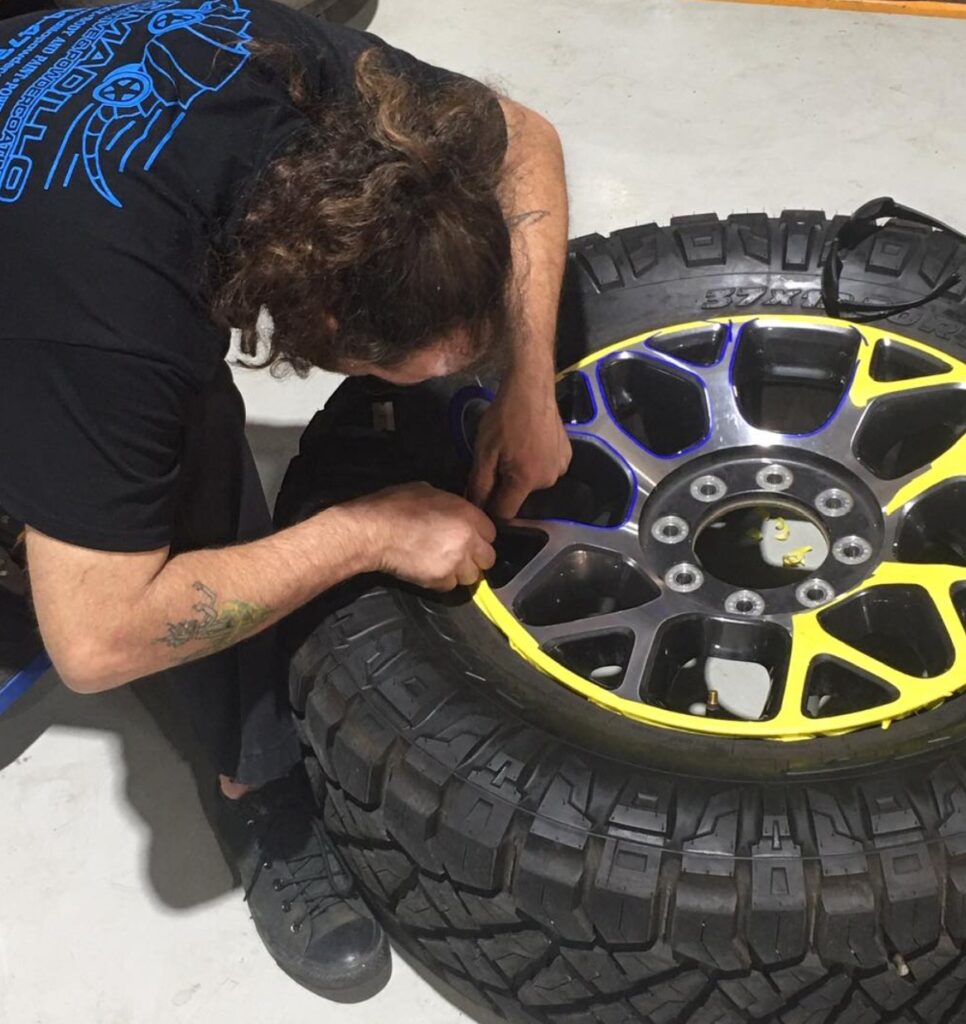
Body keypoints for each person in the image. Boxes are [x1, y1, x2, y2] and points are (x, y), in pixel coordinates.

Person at [0, 0, 571, 1004]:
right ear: (314, 322)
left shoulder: (318, 81)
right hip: (48, 260)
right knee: (180, 461)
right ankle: (255, 784)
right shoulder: (115, 320)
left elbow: (526, 141)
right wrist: (364, 530)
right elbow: (95, 638)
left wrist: (531, 385)